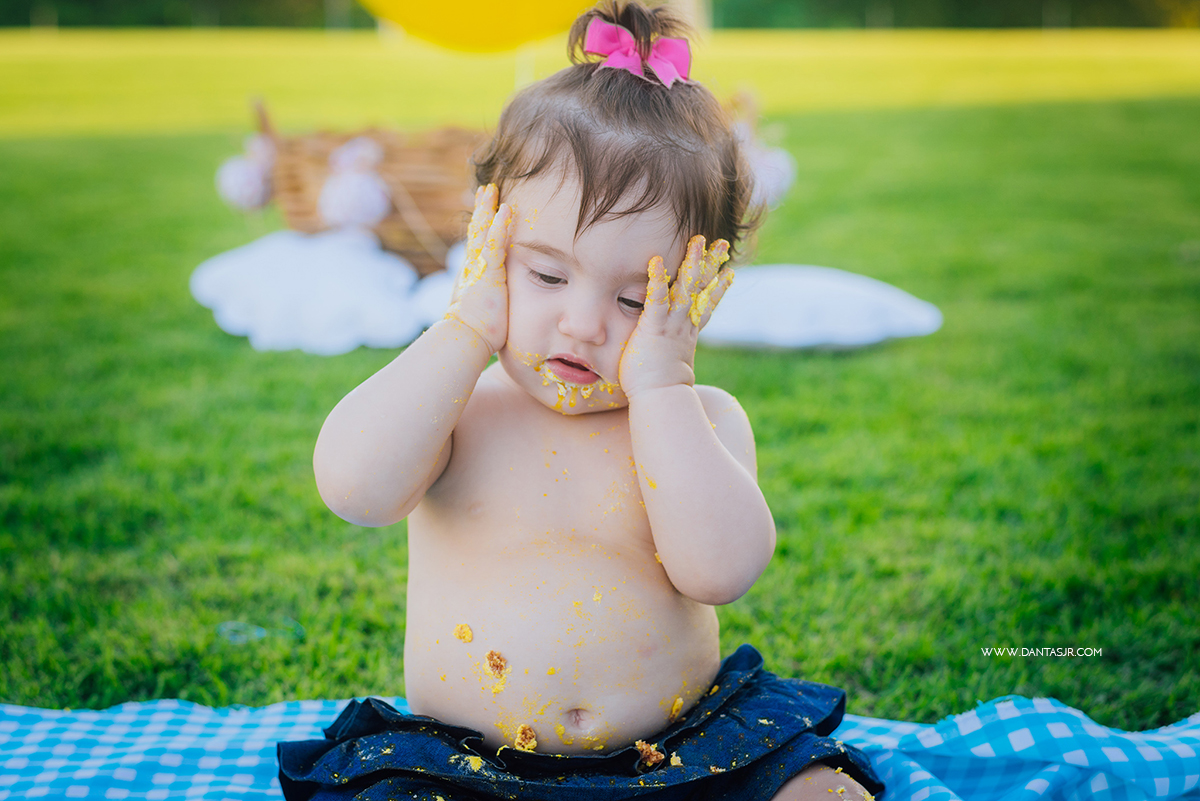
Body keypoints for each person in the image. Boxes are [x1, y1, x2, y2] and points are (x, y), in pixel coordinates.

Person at [278, 2, 883, 798]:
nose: (584, 322)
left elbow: (721, 571)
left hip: (682, 751)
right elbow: (354, 488)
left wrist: (662, 388)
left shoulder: (702, 421)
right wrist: (464, 326)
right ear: (487, 242)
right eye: (547, 274)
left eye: (637, 299)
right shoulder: (459, 410)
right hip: (468, 767)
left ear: (702, 293)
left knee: (822, 791)